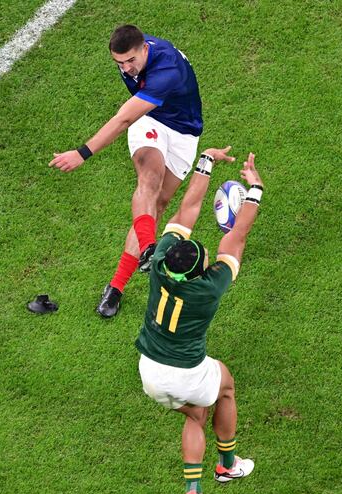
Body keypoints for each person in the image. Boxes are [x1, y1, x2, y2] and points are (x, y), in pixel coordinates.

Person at [135, 147, 265, 494]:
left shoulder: (161, 262)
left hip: (149, 370)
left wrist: (204, 162)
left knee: (195, 414)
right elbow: (236, 238)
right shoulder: (208, 288)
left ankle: (193, 492)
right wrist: (254, 191)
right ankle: (227, 466)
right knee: (225, 386)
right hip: (184, 372)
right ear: (200, 270)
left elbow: (185, 212)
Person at [49, 24, 203, 318]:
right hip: (151, 119)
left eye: (131, 60)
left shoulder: (166, 69)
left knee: (158, 204)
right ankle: (124, 278)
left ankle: (134, 264)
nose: (127, 68)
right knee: (149, 179)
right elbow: (132, 117)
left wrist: (81, 154)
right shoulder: (132, 58)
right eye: (119, 63)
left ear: (145, 48)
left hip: (184, 132)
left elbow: (122, 119)